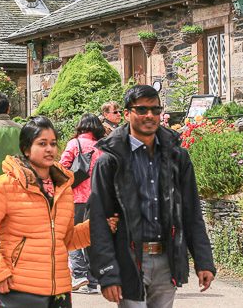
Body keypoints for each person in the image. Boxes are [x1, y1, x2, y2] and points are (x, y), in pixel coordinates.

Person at [0, 116, 118, 308]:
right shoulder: (6, 185)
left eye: (53, 143)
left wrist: (99, 226)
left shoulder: (63, 187)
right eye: (42, 143)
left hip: (59, 293)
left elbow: (67, 239)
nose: (50, 149)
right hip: (19, 290)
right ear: (26, 149)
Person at [89, 84, 216, 307]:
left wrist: (203, 260)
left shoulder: (177, 158)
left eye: (155, 110)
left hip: (168, 258)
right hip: (130, 258)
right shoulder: (110, 161)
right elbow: (98, 220)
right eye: (142, 110)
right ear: (127, 114)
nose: (150, 116)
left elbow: (191, 211)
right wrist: (107, 273)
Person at [59, 114, 105, 295]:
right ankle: (93, 281)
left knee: (72, 236)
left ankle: (79, 275)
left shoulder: (74, 144)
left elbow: (62, 168)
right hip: (98, 199)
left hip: (76, 198)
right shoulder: (103, 146)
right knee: (90, 238)